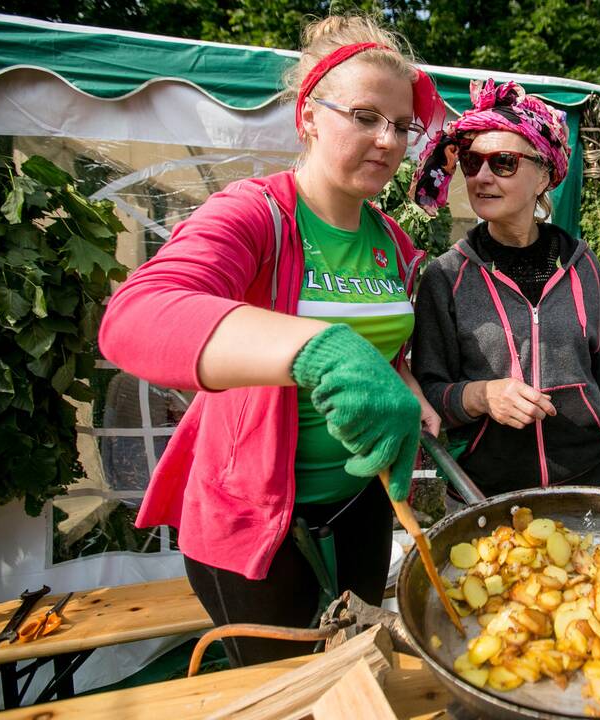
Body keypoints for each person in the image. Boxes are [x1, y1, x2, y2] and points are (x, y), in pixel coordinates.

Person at [98, 16, 445, 666]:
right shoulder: (256, 215)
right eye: (366, 116)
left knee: (356, 666)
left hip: (362, 503)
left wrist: (405, 386)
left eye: (402, 126)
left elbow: (386, 351)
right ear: (310, 116)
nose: (388, 140)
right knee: (279, 692)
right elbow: (138, 316)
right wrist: (315, 349)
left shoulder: (394, 246)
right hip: (253, 521)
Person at [411, 79, 600, 498]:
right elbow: (427, 393)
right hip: (486, 494)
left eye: (503, 162)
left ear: (544, 174)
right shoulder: (446, 276)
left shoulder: (582, 264)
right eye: (472, 163)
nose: (482, 176)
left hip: (588, 482)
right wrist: (481, 395)